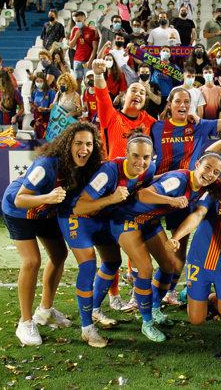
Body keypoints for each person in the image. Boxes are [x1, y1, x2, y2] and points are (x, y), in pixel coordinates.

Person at [1, 122, 103, 345]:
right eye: (78, 143)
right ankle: (25, 322)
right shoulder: (46, 165)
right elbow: (20, 198)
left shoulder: (86, 166)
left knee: (59, 255)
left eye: (89, 144)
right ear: (67, 145)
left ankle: (45, 311)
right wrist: (47, 198)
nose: (84, 149)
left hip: (46, 212)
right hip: (20, 210)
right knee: (32, 261)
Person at [110, 151, 221, 341]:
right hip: (127, 219)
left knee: (169, 266)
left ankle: (154, 309)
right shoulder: (179, 180)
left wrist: (176, 238)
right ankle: (146, 323)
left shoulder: (205, 189)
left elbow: (195, 216)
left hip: (149, 221)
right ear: (197, 164)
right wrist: (171, 201)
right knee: (145, 268)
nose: (211, 174)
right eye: (208, 167)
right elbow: (142, 195)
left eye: (216, 172)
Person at [150, 80, 221, 305]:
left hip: (186, 194)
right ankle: (141, 289)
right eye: (178, 101)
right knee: (147, 242)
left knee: (179, 247)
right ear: (169, 104)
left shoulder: (197, 125)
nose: (182, 105)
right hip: (160, 191)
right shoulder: (156, 127)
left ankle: (168, 291)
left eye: (187, 102)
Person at [66, 131, 155, 347]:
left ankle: (95, 309)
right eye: (135, 156)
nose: (140, 162)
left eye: (146, 157)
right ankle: (87, 328)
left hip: (101, 217)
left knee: (113, 261)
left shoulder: (148, 170)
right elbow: (79, 206)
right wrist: (112, 199)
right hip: (78, 216)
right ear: (126, 153)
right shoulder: (109, 172)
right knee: (88, 266)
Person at [167, 154, 221, 324]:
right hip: (200, 261)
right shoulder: (213, 191)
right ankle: (192, 293)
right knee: (196, 320)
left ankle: (214, 297)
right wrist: (177, 237)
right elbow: (198, 214)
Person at [92, 59, 155, 160]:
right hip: (115, 173)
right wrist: (98, 75)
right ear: (124, 96)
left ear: (144, 101)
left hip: (139, 174)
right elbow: (102, 97)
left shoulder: (149, 120)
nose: (138, 94)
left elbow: (169, 126)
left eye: (142, 93)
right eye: (134, 90)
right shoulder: (111, 116)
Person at [69, 11, 99, 86]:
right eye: (76, 21)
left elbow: (95, 48)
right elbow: (71, 46)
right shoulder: (75, 30)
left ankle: (87, 97)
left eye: (79, 21)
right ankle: (79, 97)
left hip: (88, 60)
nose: (77, 23)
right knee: (77, 81)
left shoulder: (92, 31)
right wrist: (76, 36)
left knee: (88, 82)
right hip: (77, 59)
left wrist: (90, 61)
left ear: (84, 19)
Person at [0, 69, 23, 134]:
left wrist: (16, 116)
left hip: (10, 123)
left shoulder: (15, 92)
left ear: (2, 79)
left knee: (7, 144)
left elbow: (22, 108)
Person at [30, 72, 56, 139]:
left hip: (47, 121)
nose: (39, 83)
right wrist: (34, 108)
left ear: (44, 81)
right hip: (37, 121)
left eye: (41, 81)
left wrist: (44, 109)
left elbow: (53, 108)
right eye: (37, 81)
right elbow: (31, 107)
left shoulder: (51, 92)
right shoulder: (34, 92)